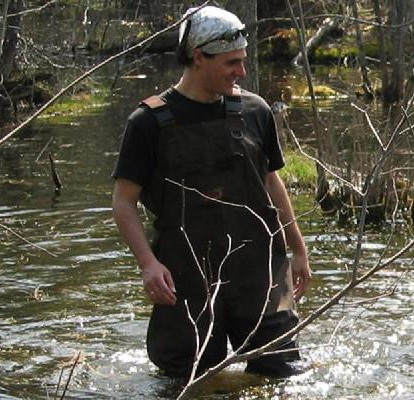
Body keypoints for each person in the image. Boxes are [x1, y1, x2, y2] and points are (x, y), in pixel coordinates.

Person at [111, 5, 311, 380]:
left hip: (260, 272)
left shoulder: (255, 111)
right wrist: (148, 264)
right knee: (188, 380)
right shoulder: (147, 123)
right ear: (198, 57)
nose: (242, 72)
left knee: (284, 374)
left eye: (243, 61)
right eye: (232, 63)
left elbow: (271, 182)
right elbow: (123, 202)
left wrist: (298, 249)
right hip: (187, 280)